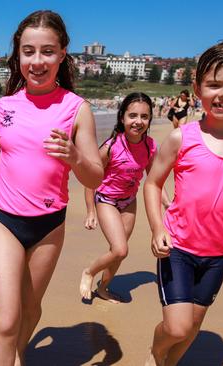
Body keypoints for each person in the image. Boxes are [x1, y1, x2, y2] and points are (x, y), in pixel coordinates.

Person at [0, 10, 103, 365]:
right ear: (18, 55)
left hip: (49, 226)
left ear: (62, 54)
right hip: (4, 221)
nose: (37, 61)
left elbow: (95, 177)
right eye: (28, 51)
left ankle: (18, 355)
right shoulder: (3, 107)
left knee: (30, 309)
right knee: (6, 318)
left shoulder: (77, 109)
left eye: (47, 51)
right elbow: (5, 150)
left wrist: (73, 156)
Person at [144, 41, 223, 366]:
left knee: (194, 326)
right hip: (178, 247)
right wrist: (157, 227)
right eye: (214, 84)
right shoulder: (182, 138)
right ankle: (156, 353)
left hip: (218, 253)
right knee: (177, 325)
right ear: (198, 89)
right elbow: (153, 183)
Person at [79, 92, 168, 303]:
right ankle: (89, 272)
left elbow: (154, 179)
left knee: (117, 252)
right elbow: (90, 180)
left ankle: (103, 288)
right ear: (122, 118)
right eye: (133, 116)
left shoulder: (149, 146)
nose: (138, 122)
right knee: (121, 249)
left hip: (129, 202)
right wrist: (90, 211)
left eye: (144, 117)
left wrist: (167, 202)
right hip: (107, 201)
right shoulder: (111, 147)